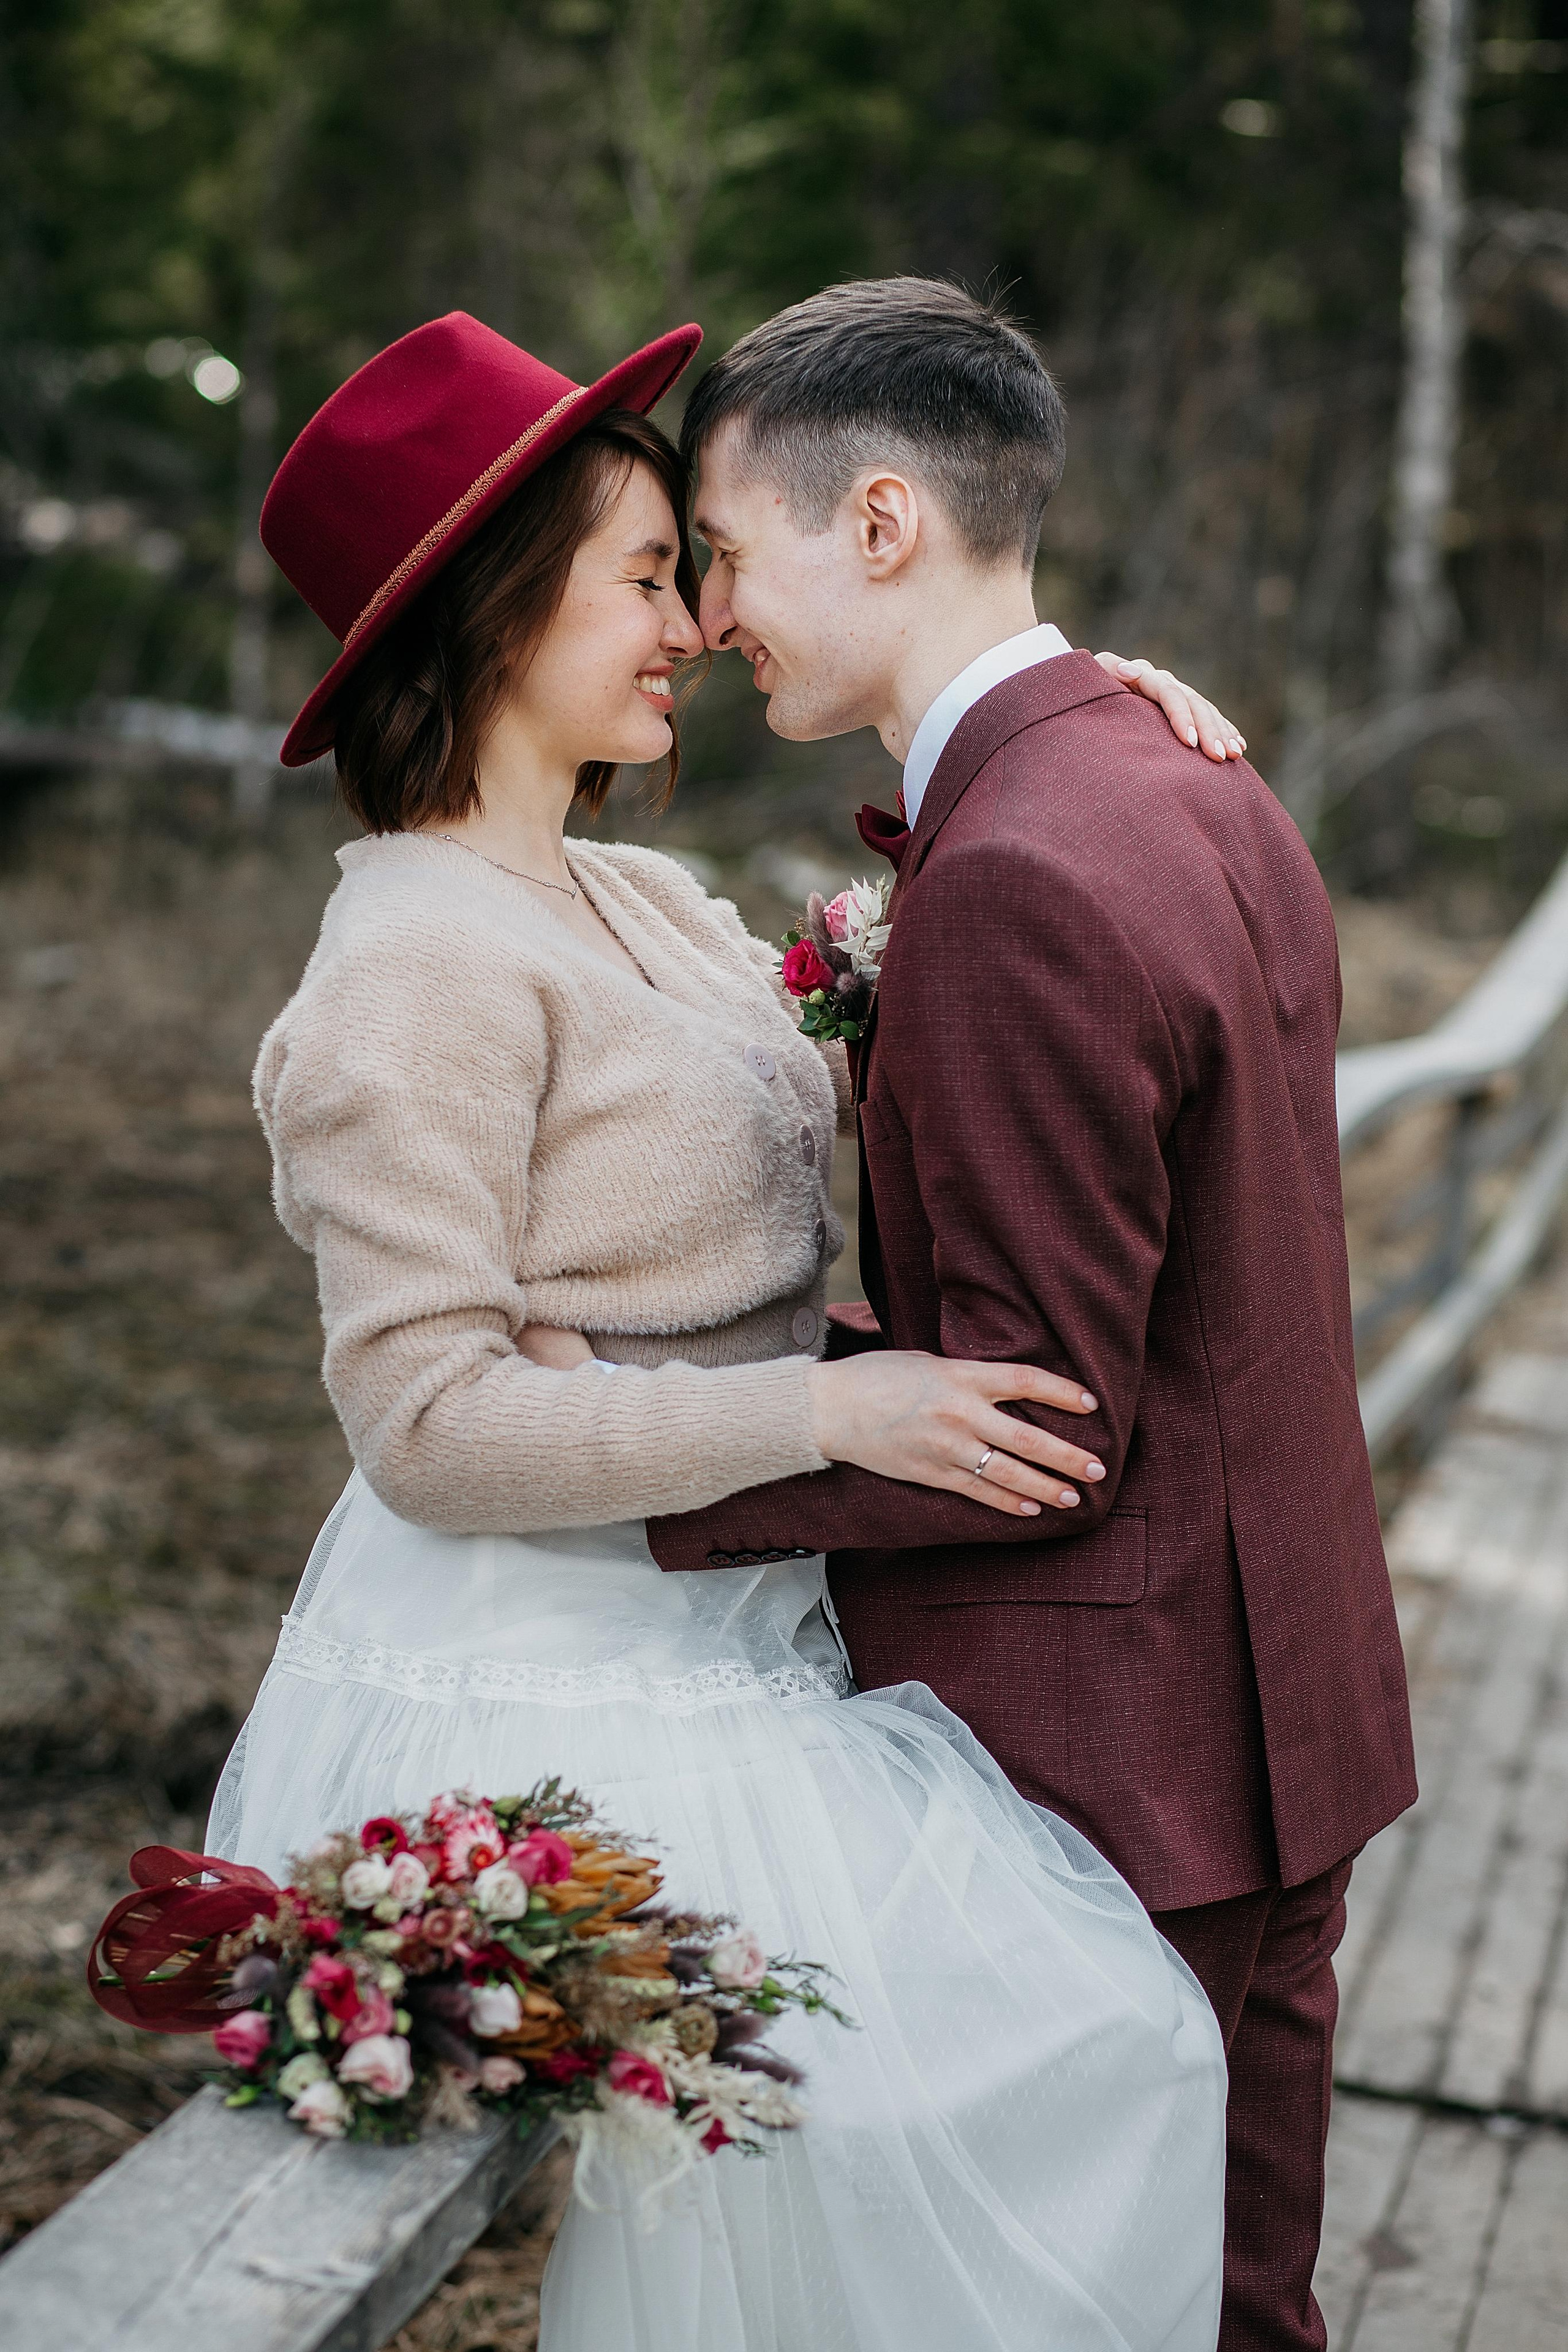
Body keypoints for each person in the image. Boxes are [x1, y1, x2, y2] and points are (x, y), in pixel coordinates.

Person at [209, 308, 1237, 2351]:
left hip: (748, 1627)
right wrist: (823, 1410)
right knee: (959, 2105)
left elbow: (896, 1051)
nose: (694, 619)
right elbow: (428, 1425)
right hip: (559, 1671)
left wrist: (1084, 743)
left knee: (1085, 2070)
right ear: (497, 613)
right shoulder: (405, 966)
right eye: (649, 575)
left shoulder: (644, 903)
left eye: (692, 573)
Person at [646, 278, 1419, 2352]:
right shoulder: (1192, 781)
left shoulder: (1019, 873)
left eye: (724, 552)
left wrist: (642, 1445)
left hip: (1116, 1767)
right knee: (1239, 2312)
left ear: (879, 521)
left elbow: (1026, 1428)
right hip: (1282, 1721)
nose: (713, 616)